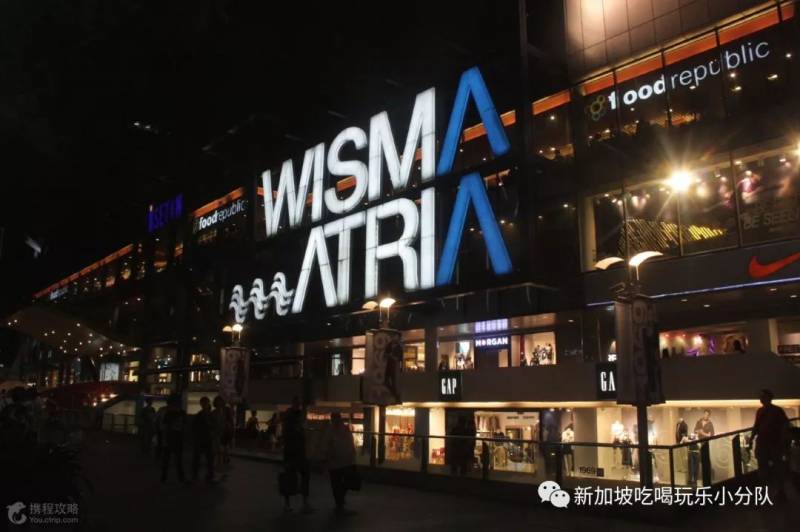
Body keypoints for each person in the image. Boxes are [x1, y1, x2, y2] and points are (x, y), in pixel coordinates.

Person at [749, 389, 790, 500]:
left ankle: (779, 491)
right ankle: (766, 491)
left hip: (774, 443)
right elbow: (756, 426)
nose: (761, 399)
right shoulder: (761, 411)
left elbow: (784, 425)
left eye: (763, 397)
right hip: (764, 443)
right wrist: (751, 439)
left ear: (768, 398)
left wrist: (782, 440)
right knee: (764, 467)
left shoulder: (776, 411)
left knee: (776, 467)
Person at [282, 396, 312, 513]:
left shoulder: (293, 415)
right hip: (292, 450)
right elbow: (289, 432)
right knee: (291, 476)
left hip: (296, 450)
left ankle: (300, 502)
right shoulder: (291, 417)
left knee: (301, 474)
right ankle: (292, 503)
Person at [324, 412, 357, 515]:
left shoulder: (330, 430)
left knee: (336, 483)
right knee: (342, 482)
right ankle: (340, 502)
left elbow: (327, 445)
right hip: (343, 461)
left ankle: (339, 502)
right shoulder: (344, 430)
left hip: (336, 462)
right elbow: (350, 443)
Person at [160, 395, 188, 484]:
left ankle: (164, 477)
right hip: (174, 439)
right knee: (175, 460)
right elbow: (184, 426)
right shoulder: (179, 413)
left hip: (173, 438)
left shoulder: (169, 413)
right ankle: (180, 478)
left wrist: (164, 439)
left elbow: (165, 427)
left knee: (169, 460)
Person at [192, 396, 216, 483]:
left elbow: (213, 425)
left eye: (206, 403)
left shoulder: (206, 414)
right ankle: (206, 475)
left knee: (205, 458)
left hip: (205, 438)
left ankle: (201, 475)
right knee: (204, 458)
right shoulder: (205, 414)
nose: (205, 405)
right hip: (203, 438)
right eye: (204, 403)